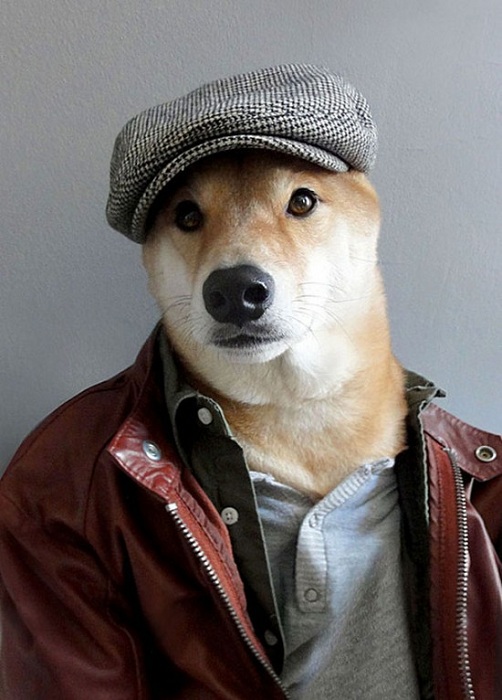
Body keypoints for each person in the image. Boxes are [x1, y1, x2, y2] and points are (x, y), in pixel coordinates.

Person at [0, 64, 500, 700]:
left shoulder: (482, 490)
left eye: (300, 203)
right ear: (152, 259)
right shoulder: (62, 493)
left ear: (368, 217)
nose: (236, 270)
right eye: (189, 217)